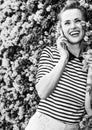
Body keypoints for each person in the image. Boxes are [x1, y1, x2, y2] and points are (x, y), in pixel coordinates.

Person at [25, 1, 92, 130]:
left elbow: (89, 110)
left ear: (85, 25)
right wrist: (63, 58)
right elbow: (43, 92)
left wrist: (91, 73)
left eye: (78, 21)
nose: (73, 26)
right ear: (61, 29)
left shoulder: (88, 62)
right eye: (67, 23)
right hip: (43, 125)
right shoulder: (51, 53)